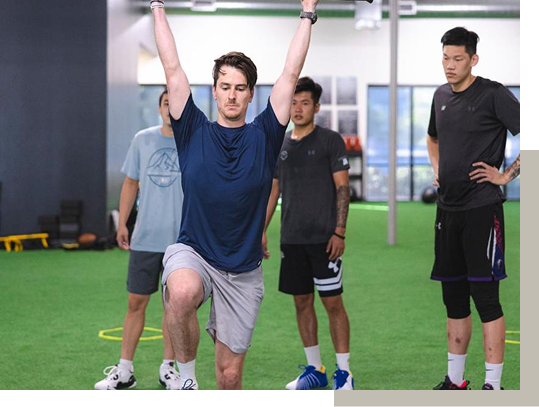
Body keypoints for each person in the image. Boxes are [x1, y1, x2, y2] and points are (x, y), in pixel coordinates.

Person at [150, 0, 320, 390]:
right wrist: (157, 6)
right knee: (182, 291)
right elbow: (172, 67)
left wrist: (307, 11)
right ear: (214, 91)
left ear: (250, 94)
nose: (231, 95)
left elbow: (290, 73)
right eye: (225, 87)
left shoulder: (265, 134)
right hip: (194, 252)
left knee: (229, 377)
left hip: (242, 270)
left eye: (240, 88)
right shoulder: (191, 129)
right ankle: (187, 380)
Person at [427, 27, 520, 391]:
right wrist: (438, 167)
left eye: (458, 59)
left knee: (485, 299)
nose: (450, 65)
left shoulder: (493, 94)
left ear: (473, 59)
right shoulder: (440, 96)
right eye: (445, 58)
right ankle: (454, 381)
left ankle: (492, 386)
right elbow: (433, 137)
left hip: (482, 210)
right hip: (446, 212)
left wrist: (505, 175)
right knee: (453, 298)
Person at [263, 77, 353, 390]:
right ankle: (315, 370)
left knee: (333, 304)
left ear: (316, 107)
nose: (298, 108)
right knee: (301, 303)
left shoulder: (330, 141)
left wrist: (339, 232)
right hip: (292, 240)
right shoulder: (281, 145)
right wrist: (261, 231)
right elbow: (273, 191)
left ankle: (344, 373)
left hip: (325, 240)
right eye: (294, 102)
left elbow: (343, 188)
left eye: (305, 103)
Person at [95, 90, 184, 390]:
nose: (171, 109)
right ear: (159, 108)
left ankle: (168, 369)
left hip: (180, 243)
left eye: (176, 104)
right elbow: (130, 182)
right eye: (166, 103)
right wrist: (122, 223)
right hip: (145, 238)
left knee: (174, 308)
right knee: (135, 303)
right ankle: (124, 371)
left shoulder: (192, 142)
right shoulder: (142, 140)